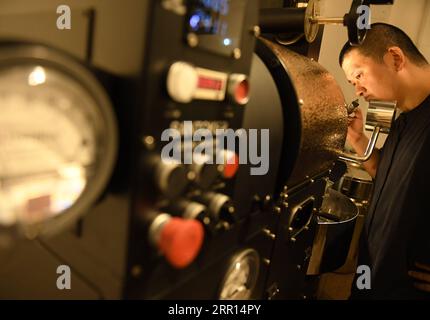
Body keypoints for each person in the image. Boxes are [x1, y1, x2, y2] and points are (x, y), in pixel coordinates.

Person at [339, 22, 430, 299]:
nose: (358, 90)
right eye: (352, 84)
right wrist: (358, 140)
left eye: (359, 76)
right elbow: (389, 177)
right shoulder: (405, 120)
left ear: (395, 58)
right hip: (374, 280)